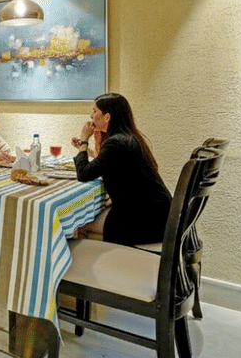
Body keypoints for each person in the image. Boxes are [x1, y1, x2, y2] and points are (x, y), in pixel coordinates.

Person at [70, 93, 172, 246]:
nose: (91, 115)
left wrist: (84, 140)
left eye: (95, 111)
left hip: (144, 220)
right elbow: (113, 165)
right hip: (159, 215)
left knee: (76, 224)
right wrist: (92, 151)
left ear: (107, 117)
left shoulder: (117, 142)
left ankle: (104, 266)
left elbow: (84, 174)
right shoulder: (128, 137)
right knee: (87, 221)